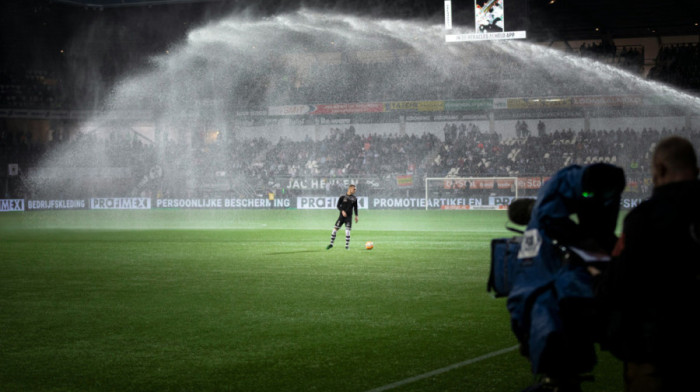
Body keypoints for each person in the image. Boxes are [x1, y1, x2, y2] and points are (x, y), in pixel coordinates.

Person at [591, 136, 700, 392]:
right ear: (696, 171)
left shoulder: (644, 218)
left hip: (657, 351)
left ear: (659, 170)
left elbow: (617, 285)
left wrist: (596, 275)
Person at [327, 184, 359, 250]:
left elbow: (355, 207)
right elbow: (338, 206)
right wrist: (342, 211)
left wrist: (356, 215)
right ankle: (331, 244)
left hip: (349, 217)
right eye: (354, 189)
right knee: (335, 229)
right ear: (350, 189)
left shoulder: (354, 198)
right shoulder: (342, 197)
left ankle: (347, 246)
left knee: (347, 231)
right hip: (341, 217)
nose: (355, 190)